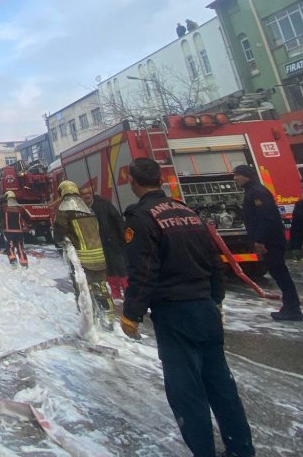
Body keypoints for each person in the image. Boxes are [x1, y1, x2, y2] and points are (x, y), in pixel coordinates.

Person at [121, 157, 255, 457]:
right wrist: (216, 300)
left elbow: (144, 270)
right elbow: (214, 261)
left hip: (174, 313)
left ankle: (203, 451)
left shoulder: (140, 217)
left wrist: (131, 313)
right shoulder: (187, 211)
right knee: (221, 384)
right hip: (205, 308)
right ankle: (242, 449)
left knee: (186, 391)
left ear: (133, 181)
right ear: (160, 179)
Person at [233, 164, 303, 321]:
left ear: (246, 176)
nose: (235, 178)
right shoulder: (254, 191)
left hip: (271, 241)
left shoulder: (257, 192)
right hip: (270, 240)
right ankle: (290, 307)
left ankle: (292, 309)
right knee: (279, 273)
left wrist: (260, 240)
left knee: (280, 274)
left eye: (237, 175)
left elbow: (266, 218)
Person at [53, 180, 113, 324]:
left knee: (83, 289)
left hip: (81, 259)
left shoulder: (64, 210)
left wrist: (61, 243)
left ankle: (89, 321)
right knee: (102, 287)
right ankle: (109, 320)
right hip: (99, 257)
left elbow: (59, 234)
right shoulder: (88, 208)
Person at [81, 184, 128, 299]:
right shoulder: (81, 209)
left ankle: (128, 293)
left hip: (113, 241)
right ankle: (115, 293)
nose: (87, 196)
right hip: (98, 245)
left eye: (89, 193)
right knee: (109, 269)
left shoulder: (103, 203)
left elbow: (117, 218)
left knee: (121, 267)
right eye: (84, 194)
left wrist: (123, 237)